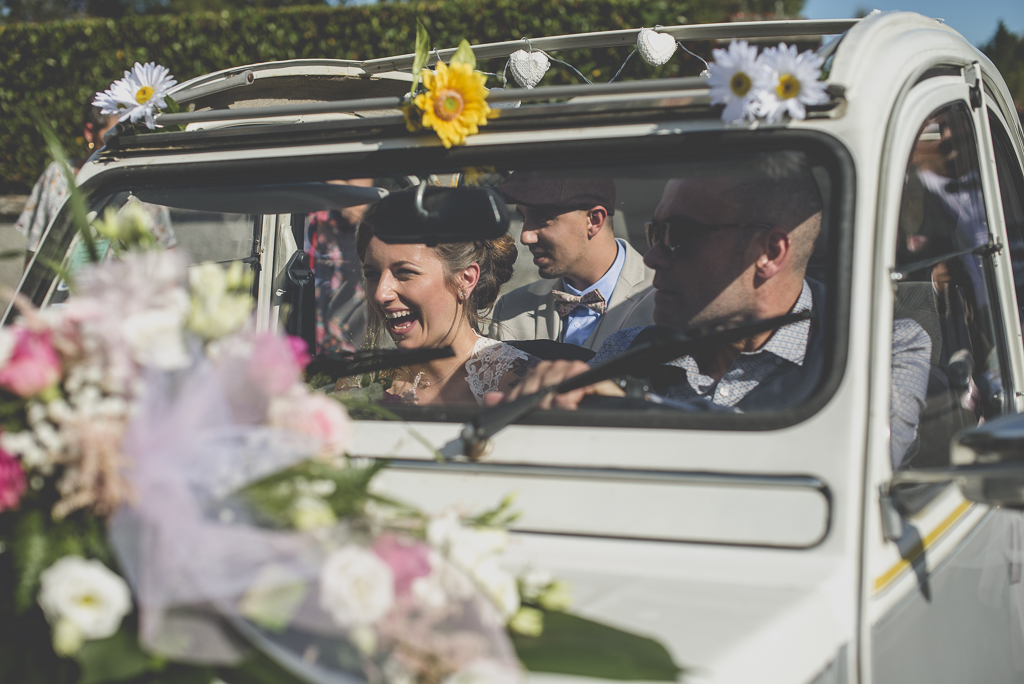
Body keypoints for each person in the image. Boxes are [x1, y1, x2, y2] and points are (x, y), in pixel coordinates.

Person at [488, 159, 931, 466]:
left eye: (678, 236)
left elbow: (848, 472)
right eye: (654, 233)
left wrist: (636, 413)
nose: (654, 258)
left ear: (771, 253)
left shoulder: (884, 350)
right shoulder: (630, 349)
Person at [349, 193, 538, 406]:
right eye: (372, 274)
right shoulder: (360, 383)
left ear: (465, 279)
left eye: (404, 272)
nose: (380, 294)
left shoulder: (519, 384)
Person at [488, 172, 655, 352]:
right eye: (523, 218)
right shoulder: (510, 308)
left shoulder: (663, 297)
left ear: (594, 220)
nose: (525, 237)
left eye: (543, 218)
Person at [16, 102, 176, 256]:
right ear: (89, 132)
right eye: (116, 134)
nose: (124, 143)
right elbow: (36, 252)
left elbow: (166, 251)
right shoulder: (58, 175)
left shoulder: (144, 186)